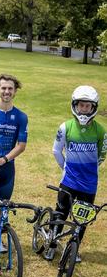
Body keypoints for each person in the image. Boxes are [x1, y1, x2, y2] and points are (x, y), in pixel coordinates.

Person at [48, 85, 106, 262]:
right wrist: (65, 167)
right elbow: (57, 151)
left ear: (93, 108)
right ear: (75, 105)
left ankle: (74, 247)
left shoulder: (100, 131)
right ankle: (52, 244)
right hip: (69, 181)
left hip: (89, 183)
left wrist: (90, 169)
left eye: (88, 106)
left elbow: (102, 154)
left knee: (83, 217)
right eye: (81, 105)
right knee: (61, 212)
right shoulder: (65, 127)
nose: (84, 109)